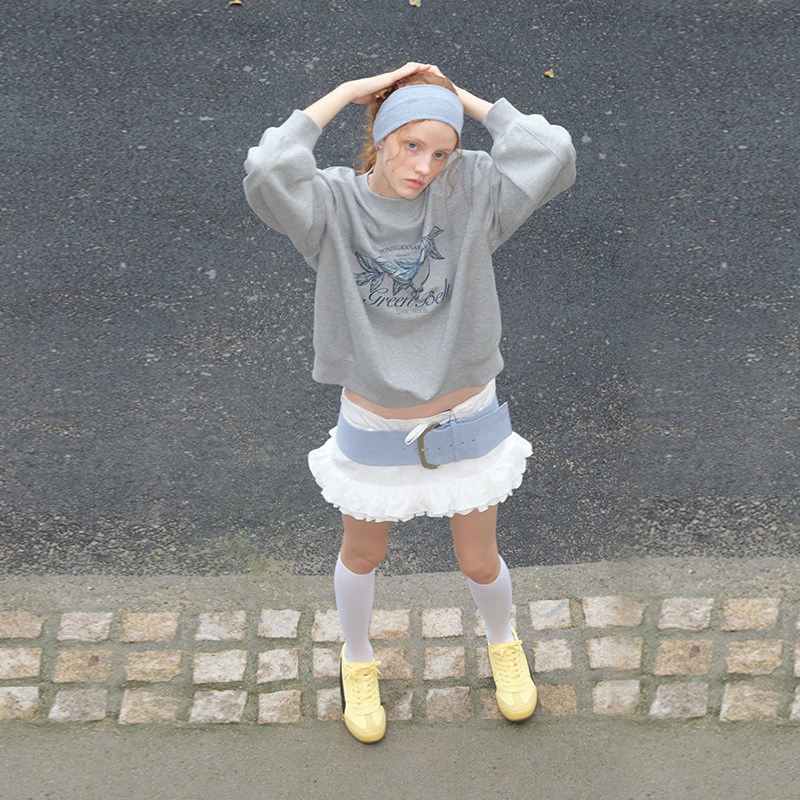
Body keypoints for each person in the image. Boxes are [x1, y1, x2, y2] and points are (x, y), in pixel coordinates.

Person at [244, 62, 576, 743]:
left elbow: (552, 151)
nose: (424, 167)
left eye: (441, 152)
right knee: (363, 554)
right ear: (381, 136)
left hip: (466, 420)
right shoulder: (329, 206)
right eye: (410, 145)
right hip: (375, 423)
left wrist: (460, 97)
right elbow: (268, 169)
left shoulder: (471, 191)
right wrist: (347, 93)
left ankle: (504, 643)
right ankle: (357, 658)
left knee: (478, 560)